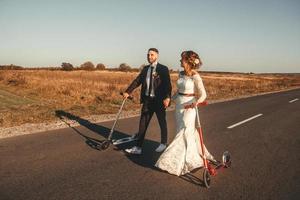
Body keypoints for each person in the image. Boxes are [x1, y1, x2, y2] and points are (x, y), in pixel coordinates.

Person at [155, 50, 215, 176]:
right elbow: (179, 91)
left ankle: (172, 160)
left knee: (185, 131)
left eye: (181, 59)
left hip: (190, 107)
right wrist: (170, 99)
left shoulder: (195, 76)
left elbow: (203, 94)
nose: (179, 61)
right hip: (179, 106)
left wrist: (196, 103)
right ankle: (188, 156)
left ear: (188, 61)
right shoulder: (181, 74)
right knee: (180, 131)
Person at [123, 48, 172, 155]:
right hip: (147, 101)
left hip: (159, 101)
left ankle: (163, 143)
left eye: (152, 55)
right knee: (142, 124)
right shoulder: (145, 69)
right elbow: (137, 81)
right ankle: (138, 147)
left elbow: (168, 85)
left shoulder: (163, 69)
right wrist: (128, 91)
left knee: (162, 122)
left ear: (157, 56)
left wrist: (167, 98)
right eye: (148, 55)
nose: (149, 57)